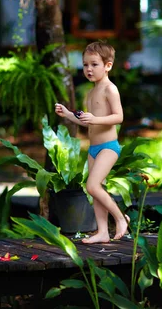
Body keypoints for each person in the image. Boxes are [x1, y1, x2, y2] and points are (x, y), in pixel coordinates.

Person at [55, 41, 129, 244]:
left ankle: (121, 218)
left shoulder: (110, 89)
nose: (88, 69)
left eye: (94, 64)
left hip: (108, 147)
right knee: (98, 191)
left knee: (92, 186)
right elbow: (85, 120)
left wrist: (95, 120)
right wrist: (68, 114)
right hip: (94, 148)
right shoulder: (90, 93)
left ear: (108, 66)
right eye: (85, 64)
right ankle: (103, 231)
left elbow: (118, 116)